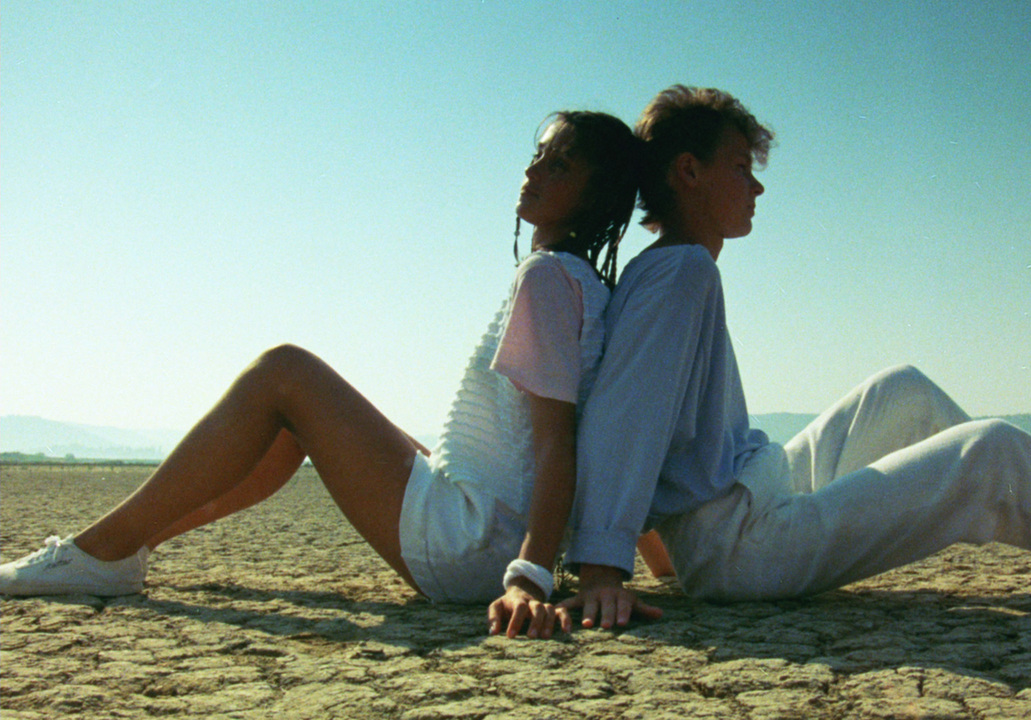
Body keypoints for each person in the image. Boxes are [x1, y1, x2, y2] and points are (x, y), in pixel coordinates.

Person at [559, 85, 1031, 629]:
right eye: (739, 167)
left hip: (747, 499)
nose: (756, 186)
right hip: (742, 548)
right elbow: (623, 419)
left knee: (902, 392)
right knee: (990, 452)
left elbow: (658, 432)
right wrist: (603, 570)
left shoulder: (671, 269)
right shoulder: (681, 273)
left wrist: (664, 555)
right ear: (689, 171)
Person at [0, 109, 646, 639]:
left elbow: (556, 443)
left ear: (597, 194)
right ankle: (130, 549)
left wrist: (528, 575)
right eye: (537, 154)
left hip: (476, 547)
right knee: (294, 423)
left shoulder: (546, 279)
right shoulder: (584, 284)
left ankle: (99, 552)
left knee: (283, 371)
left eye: (559, 164)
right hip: (487, 533)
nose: (533, 170)